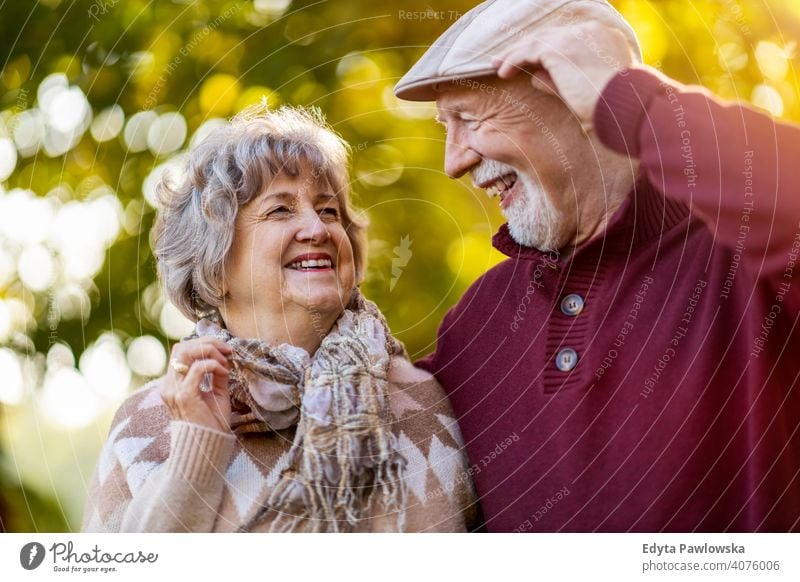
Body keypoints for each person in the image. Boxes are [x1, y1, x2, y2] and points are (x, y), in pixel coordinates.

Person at [394, 0, 800, 532]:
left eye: (469, 119)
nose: (454, 163)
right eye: (445, 127)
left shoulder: (746, 260)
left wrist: (634, 101)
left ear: (574, 94)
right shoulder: (478, 322)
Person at [81, 104, 474, 533]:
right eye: (281, 211)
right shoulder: (147, 424)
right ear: (214, 263)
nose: (318, 229)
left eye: (328, 211)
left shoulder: (422, 401)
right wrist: (195, 458)